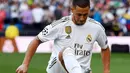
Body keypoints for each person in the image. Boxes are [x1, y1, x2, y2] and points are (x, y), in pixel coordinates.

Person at [16, 0, 110, 73]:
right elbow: (37, 40)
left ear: (89, 10)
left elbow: (105, 48)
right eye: (79, 14)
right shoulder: (60, 25)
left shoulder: (97, 28)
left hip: (82, 70)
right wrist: (25, 64)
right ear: (72, 9)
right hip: (57, 69)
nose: (82, 18)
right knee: (66, 51)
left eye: (85, 15)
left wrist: (106, 71)